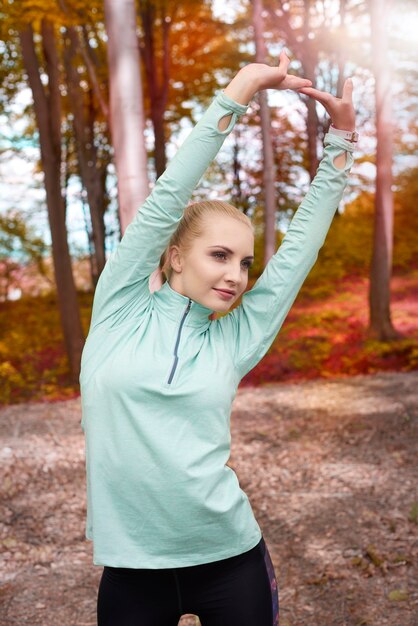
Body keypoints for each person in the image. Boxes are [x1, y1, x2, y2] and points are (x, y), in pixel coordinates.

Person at [79, 49, 356, 626]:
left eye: (245, 262)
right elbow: (167, 198)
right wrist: (237, 95)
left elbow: (297, 254)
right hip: (133, 572)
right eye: (219, 255)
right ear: (175, 257)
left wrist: (341, 145)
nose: (236, 274)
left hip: (231, 562)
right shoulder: (118, 309)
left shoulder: (233, 339)